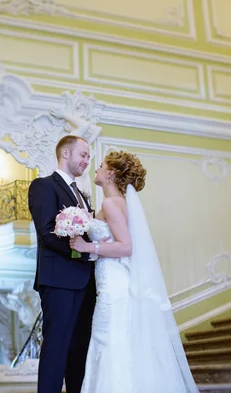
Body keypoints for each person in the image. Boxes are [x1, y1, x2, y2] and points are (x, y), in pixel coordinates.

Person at [69, 151, 199, 393]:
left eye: (101, 165)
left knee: (109, 340)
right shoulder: (118, 203)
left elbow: (126, 246)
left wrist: (87, 246)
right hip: (111, 279)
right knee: (112, 341)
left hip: (113, 285)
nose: (96, 169)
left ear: (111, 173)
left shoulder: (111, 203)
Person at [28, 135, 107, 393]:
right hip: (59, 280)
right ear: (65, 153)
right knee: (56, 345)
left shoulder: (81, 195)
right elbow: (47, 233)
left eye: (88, 156)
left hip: (86, 281)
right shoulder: (43, 186)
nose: (87, 160)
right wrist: (84, 253)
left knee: (79, 347)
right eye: (83, 155)